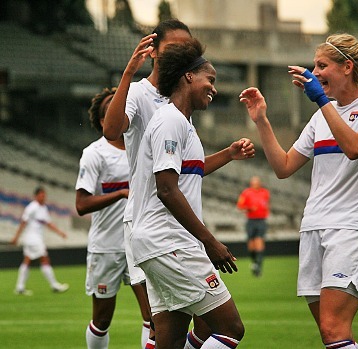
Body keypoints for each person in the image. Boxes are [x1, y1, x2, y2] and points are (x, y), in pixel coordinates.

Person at [240, 33, 358, 349]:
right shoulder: (319, 117)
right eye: (314, 65)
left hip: (351, 229)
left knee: (333, 329)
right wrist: (261, 121)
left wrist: (322, 101)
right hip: (313, 228)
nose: (314, 72)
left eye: (322, 65)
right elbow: (284, 167)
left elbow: (354, 148)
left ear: (347, 67)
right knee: (334, 336)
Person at [129, 37, 254, 349]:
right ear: (188, 76)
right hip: (169, 241)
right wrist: (211, 242)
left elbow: (186, 174)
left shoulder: (182, 123)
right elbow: (167, 190)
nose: (213, 87)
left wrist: (227, 154)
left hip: (159, 243)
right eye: (209, 80)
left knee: (168, 342)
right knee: (230, 328)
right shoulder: (170, 120)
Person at [103, 19, 214, 349]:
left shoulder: (183, 97)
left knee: (181, 324)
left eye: (186, 48)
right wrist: (127, 74)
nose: (181, 54)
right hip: (148, 218)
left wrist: (229, 155)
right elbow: (112, 132)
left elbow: (187, 170)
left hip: (178, 218)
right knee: (167, 320)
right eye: (173, 48)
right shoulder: (139, 92)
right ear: (153, 52)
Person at [75, 88, 153, 349]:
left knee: (153, 315)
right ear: (102, 121)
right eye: (111, 106)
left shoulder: (142, 148)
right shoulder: (94, 153)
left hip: (139, 245)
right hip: (106, 247)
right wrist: (120, 193)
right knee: (102, 319)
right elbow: (82, 204)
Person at [11, 186, 69, 295]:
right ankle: (54, 285)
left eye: (44, 195)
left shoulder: (43, 208)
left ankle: (19, 287)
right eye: (41, 195)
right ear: (36, 196)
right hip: (33, 239)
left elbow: (48, 224)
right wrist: (16, 237)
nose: (43, 197)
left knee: (27, 261)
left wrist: (60, 233)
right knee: (44, 259)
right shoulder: (32, 207)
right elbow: (23, 222)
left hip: (33, 239)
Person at [236, 175, 270, 277]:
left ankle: (258, 266)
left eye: (256, 182)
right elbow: (240, 206)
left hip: (261, 220)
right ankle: (254, 261)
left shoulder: (265, 192)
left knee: (259, 241)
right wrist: (249, 208)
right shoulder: (246, 193)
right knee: (251, 244)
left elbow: (266, 205)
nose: (255, 184)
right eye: (253, 182)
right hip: (251, 221)